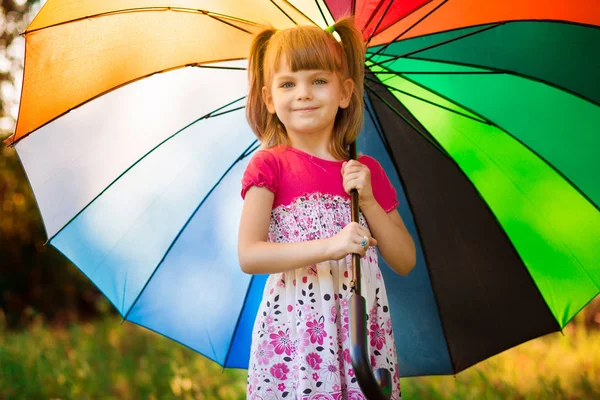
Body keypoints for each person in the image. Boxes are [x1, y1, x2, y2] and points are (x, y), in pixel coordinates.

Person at [238, 17, 416, 400]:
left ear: (345, 92)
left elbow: (404, 260)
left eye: (319, 80)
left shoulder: (366, 173)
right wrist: (331, 246)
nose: (303, 93)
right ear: (269, 99)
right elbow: (249, 254)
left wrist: (367, 199)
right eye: (288, 84)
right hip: (298, 330)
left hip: (359, 330)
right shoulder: (270, 166)